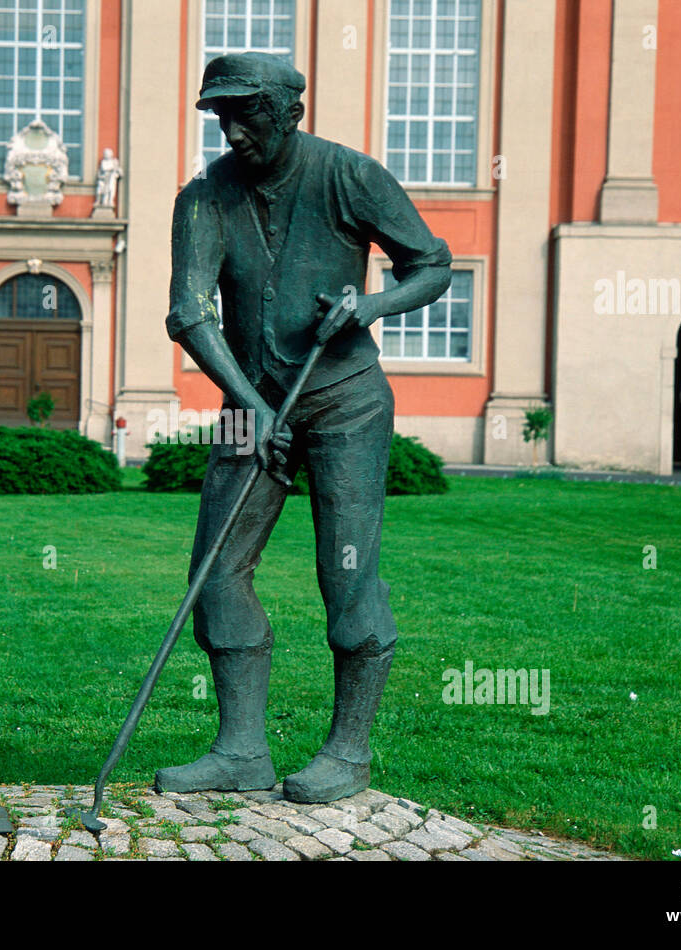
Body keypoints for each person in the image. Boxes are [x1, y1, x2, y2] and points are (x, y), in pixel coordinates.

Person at [155, 52, 452, 803]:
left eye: (248, 113)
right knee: (215, 574)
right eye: (222, 114)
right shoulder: (205, 198)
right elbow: (190, 312)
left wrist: (372, 307)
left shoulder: (350, 176)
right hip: (246, 403)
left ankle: (348, 754)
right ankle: (240, 752)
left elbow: (431, 263)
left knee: (345, 576)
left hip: (345, 401)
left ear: (291, 112)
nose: (233, 129)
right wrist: (250, 405)